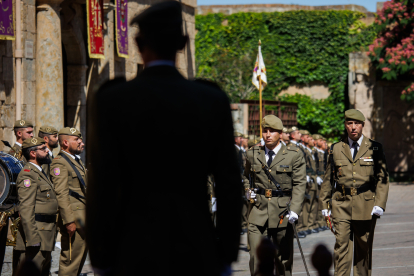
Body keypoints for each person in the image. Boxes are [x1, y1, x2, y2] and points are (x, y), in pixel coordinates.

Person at [85, 2, 242, 276]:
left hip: (132, 248)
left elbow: (102, 185)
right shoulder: (210, 99)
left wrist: (100, 256)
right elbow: (229, 184)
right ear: (182, 43)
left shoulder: (113, 99)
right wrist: (226, 254)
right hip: (195, 247)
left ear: (137, 42)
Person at [320, 109, 389, 276]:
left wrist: (379, 204)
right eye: (349, 123)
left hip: (366, 205)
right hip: (341, 204)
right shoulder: (335, 149)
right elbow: (328, 179)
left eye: (356, 124)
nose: (353, 127)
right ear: (345, 125)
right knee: (341, 247)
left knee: (363, 249)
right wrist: (324, 204)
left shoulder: (375, 148)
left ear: (362, 126)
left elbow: (383, 178)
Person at [243, 115, 306, 276]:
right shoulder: (252, 153)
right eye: (265, 131)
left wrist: (295, 209)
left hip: (282, 212)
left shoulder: (294, 154)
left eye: (272, 131)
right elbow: (246, 176)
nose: (268, 135)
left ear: (280, 133)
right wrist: (247, 190)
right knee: (256, 258)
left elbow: (299, 184)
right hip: (258, 212)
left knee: (282, 261)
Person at [13, 137, 57, 276]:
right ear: (33, 153)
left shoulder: (39, 172)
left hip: (45, 234)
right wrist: (32, 239)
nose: (46, 151)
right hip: (37, 235)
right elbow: (26, 209)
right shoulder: (28, 175)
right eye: (43, 149)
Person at [50, 127, 87, 276]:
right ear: (65, 142)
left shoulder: (75, 161)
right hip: (74, 221)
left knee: (79, 262)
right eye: (77, 140)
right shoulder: (60, 163)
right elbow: (61, 193)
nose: (81, 143)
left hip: (83, 219)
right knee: (70, 264)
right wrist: (69, 221)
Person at [0, 120, 34, 275]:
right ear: (19, 133)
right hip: (10, 209)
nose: (32, 135)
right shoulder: (10, 155)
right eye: (29, 132)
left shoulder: (28, 152)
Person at [312, 134, 328, 232]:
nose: (323, 143)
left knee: (321, 202)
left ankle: (321, 222)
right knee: (315, 203)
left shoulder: (321, 153)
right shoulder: (314, 152)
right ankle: (314, 224)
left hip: (322, 178)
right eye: (321, 141)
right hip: (316, 178)